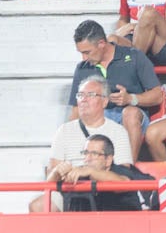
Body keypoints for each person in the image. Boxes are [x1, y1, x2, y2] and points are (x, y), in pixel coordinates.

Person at [28, 79, 134, 213]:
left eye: (90, 95)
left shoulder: (118, 131)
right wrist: (58, 172)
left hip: (104, 191)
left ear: (105, 101)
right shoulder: (64, 130)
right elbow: (50, 181)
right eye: (80, 95)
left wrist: (89, 172)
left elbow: (123, 177)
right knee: (38, 206)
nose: (84, 99)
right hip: (69, 190)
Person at [68, 19, 163, 160]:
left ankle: (127, 166)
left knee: (130, 113)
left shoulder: (134, 57)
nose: (84, 58)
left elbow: (157, 95)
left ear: (101, 43)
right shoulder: (82, 68)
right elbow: (76, 110)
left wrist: (131, 99)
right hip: (99, 117)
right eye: (81, 53)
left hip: (131, 116)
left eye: (87, 52)